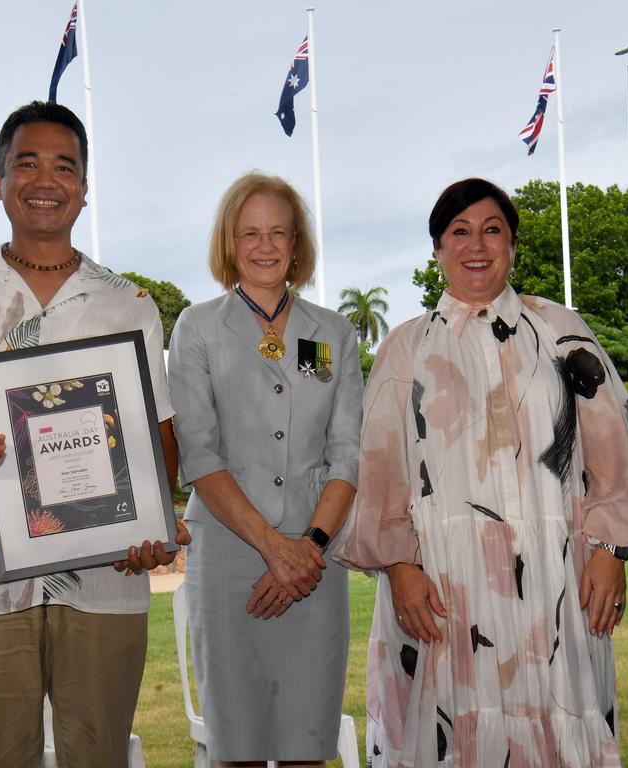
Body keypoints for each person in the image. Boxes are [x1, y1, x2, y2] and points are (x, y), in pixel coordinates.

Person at [331, 177, 628, 767]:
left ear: (513, 244)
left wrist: (611, 554)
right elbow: (381, 468)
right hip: (440, 590)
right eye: (458, 232)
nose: (477, 245)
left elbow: (615, 452)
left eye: (492, 230)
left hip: (556, 586)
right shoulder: (405, 348)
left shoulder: (562, 333)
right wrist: (397, 566)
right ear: (437, 249)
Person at [0, 100, 188, 768]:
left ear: (85, 187)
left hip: (107, 575)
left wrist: (154, 517)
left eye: (65, 166)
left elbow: (157, 425)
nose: (45, 179)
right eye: (26, 163)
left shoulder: (129, 303)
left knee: (98, 755)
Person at [168, 172, 362, 766]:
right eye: (249, 232)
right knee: (240, 751)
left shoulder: (333, 333)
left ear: (298, 244)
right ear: (229, 243)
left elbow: (347, 453)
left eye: (279, 231)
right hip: (229, 561)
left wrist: (309, 547)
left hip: (315, 563)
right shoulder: (197, 329)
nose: (265, 245)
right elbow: (198, 456)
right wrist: (275, 549)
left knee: (309, 747)